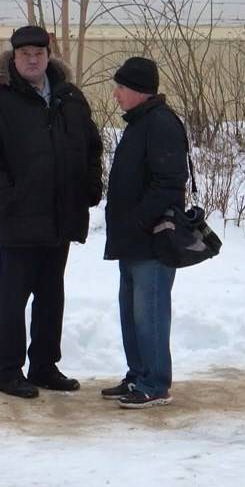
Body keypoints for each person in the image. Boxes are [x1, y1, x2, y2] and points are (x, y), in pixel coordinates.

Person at [0, 25, 104, 399]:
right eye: (24, 53)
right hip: (20, 216)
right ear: (13, 57)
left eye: (38, 53)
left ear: (48, 55)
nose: (32, 59)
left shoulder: (69, 97)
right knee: (14, 296)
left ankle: (44, 365)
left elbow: (92, 146)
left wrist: (91, 186)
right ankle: (8, 371)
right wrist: (7, 196)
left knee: (50, 294)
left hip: (61, 214)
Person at [102, 56, 189, 410]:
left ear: (138, 91)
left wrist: (138, 221)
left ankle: (155, 382)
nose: (116, 95)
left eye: (121, 88)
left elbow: (169, 183)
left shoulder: (160, 124)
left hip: (152, 240)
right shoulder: (140, 123)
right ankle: (138, 374)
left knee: (149, 312)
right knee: (131, 312)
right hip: (132, 238)